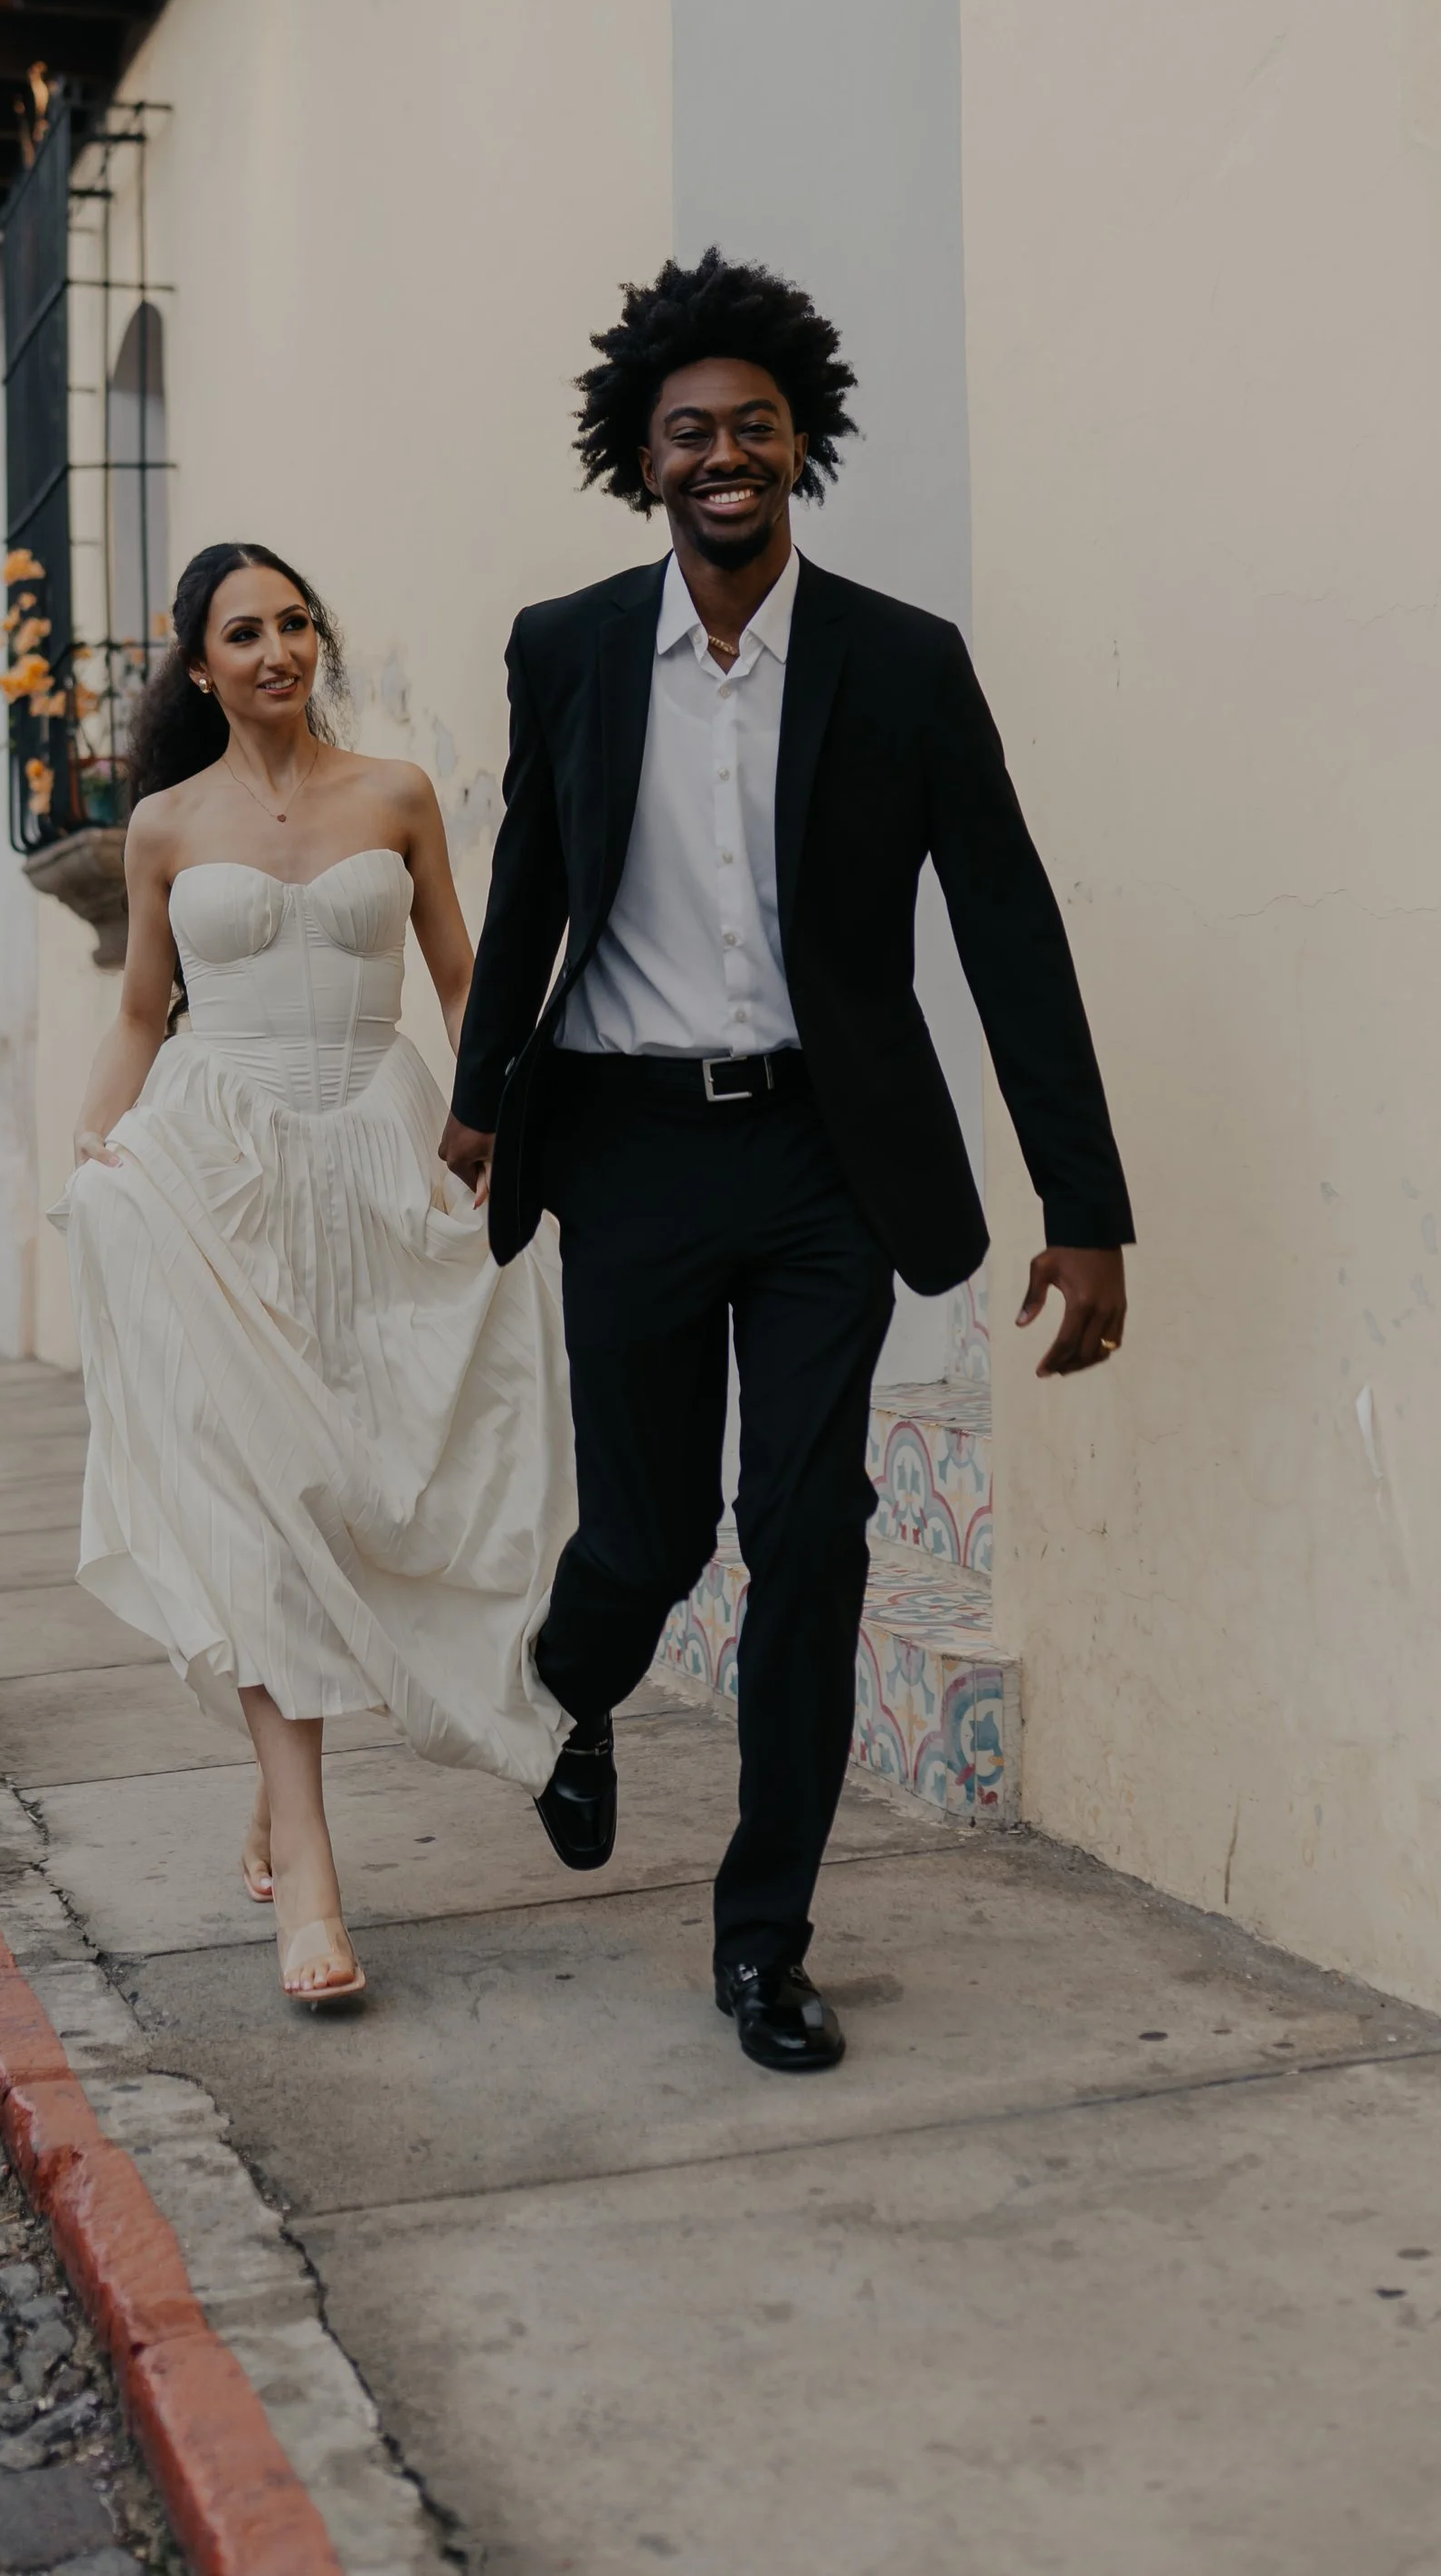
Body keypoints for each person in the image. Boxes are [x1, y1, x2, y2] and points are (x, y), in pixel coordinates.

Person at [441, 252, 1133, 2077]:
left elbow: (1006, 926)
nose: (722, 453)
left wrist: (1084, 1206)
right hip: (633, 1148)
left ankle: (762, 1942)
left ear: (798, 445)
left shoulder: (900, 666)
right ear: (640, 458)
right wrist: (473, 1092)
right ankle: (575, 1688)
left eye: (753, 425)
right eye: (687, 431)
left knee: (805, 1538)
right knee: (646, 1542)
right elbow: (526, 885)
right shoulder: (569, 647)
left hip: (831, 1158)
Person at [60, 543, 574, 2010]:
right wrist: (95, 1146)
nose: (277, 648)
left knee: (373, 1486)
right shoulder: (163, 824)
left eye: (295, 623)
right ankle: (316, 1876)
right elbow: (145, 1011)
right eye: (245, 631)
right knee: (256, 1512)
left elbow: (464, 974)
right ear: (201, 661)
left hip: (380, 1151)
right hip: (219, 1170)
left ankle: (276, 1797)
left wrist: (501, 1115)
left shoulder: (396, 794)